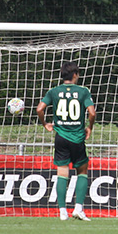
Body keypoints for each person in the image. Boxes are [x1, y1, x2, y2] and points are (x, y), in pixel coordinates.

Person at [37, 61, 97, 222]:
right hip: (77, 137)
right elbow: (92, 112)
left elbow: (39, 109)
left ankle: (62, 211)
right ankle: (78, 208)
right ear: (75, 75)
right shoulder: (83, 91)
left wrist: (45, 124)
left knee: (62, 172)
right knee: (82, 170)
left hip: (61, 137)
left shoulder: (54, 91)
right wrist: (89, 127)